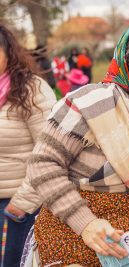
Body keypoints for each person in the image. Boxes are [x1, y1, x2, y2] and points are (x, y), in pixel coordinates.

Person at [24, 18, 129, 266]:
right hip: (78, 246)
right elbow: (43, 164)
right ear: (127, 63)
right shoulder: (92, 102)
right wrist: (86, 223)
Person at [0, 25, 57, 266]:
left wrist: (21, 205)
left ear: (8, 52)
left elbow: (51, 152)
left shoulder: (32, 90)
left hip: (15, 207)